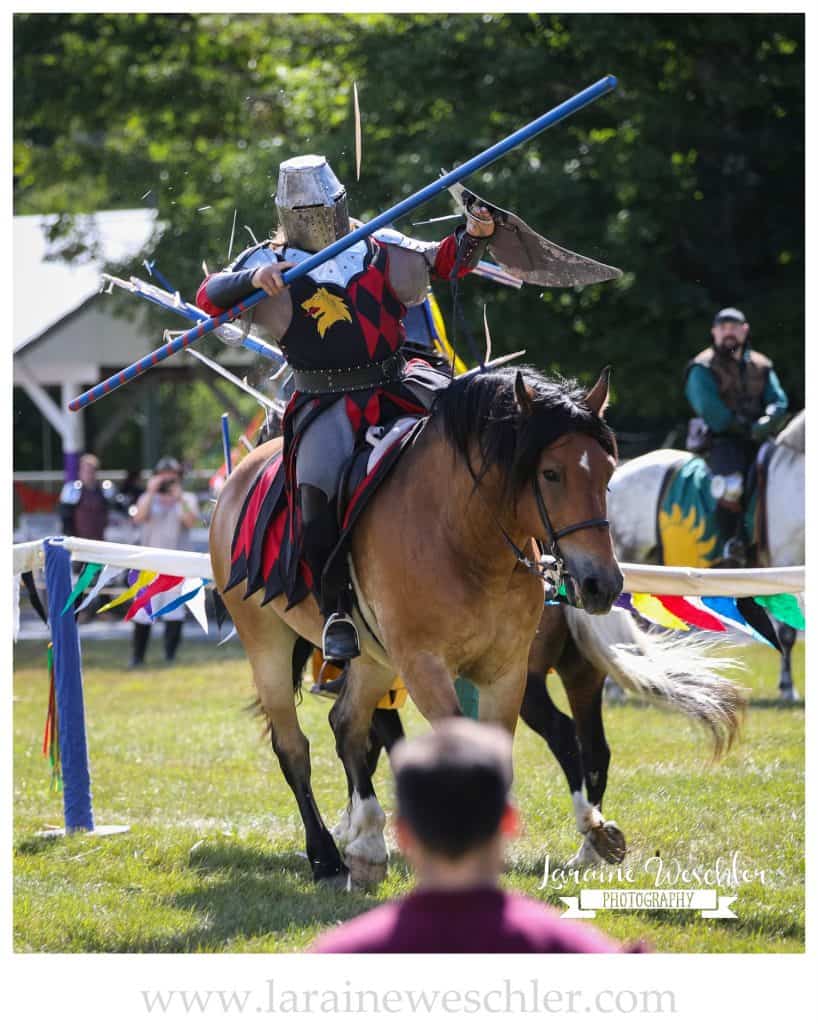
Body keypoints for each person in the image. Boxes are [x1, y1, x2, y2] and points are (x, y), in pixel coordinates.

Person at [196, 154, 495, 663]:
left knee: (480, 434)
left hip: (400, 382)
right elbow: (209, 296)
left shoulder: (378, 244)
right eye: (307, 211)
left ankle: (515, 558)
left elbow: (446, 261)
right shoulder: (266, 260)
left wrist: (476, 231)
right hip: (326, 401)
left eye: (324, 208)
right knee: (315, 486)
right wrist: (255, 280)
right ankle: (335, 609)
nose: (318, 220)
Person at [312, 719, 641, 954]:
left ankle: (337, 625)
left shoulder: (340, 956)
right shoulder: (578, 952)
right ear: (510, 822)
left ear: (403, 833)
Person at [684, 307, 789, 565]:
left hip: (760, 438)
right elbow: (712, 411)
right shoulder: (702, 366)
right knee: (732, 487)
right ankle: (732, 544)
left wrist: (768, 421)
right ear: (714, 332)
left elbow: (779, 400)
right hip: (722, 441)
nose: (728, 332)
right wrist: (746, 428)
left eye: (734, 327)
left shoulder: (762, 365)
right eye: (723, 327)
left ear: (745, 330)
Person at [128, 456, 200, 668]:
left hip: (176, 565)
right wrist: (151, 492)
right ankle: (137, 657)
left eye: (172, 476)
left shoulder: (187, 498)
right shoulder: (147, 498)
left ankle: (170, 656)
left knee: (174, 612)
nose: (168, 480)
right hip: (149, 565)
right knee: (143, 612)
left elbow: (190, 520)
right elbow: (138, 517)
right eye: (163, 476)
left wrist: (179, 500)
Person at [58, 452, 115, 541]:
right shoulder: (72, 489)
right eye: (86, 471)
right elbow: (66, 516)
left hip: (99, 539)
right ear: (80, 471)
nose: (88, 474)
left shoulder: (104, 490)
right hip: (79, 540)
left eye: (91, 471)